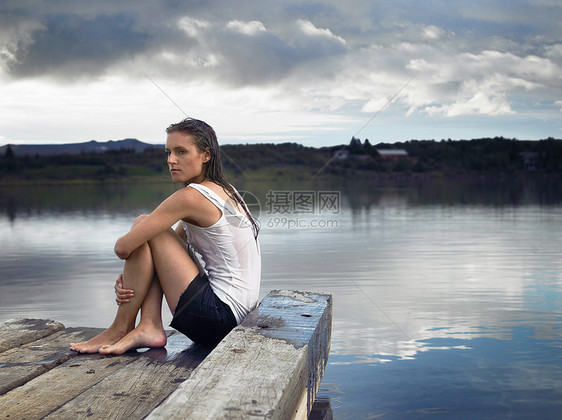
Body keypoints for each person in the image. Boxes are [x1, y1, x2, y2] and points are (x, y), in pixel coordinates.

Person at [70, 118, 261, 353]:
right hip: (234, 319)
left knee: (143, 223)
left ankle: (122, 327)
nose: (171, 160)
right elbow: (170, 250)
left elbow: (122, 248)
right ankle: (149, 326)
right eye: (168, 152)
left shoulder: (191, 197)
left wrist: (130, 279)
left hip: (217, 319)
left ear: (206, 155)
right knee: (150, 235)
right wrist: (134, 279)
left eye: (181, 152)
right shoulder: (225, 190)